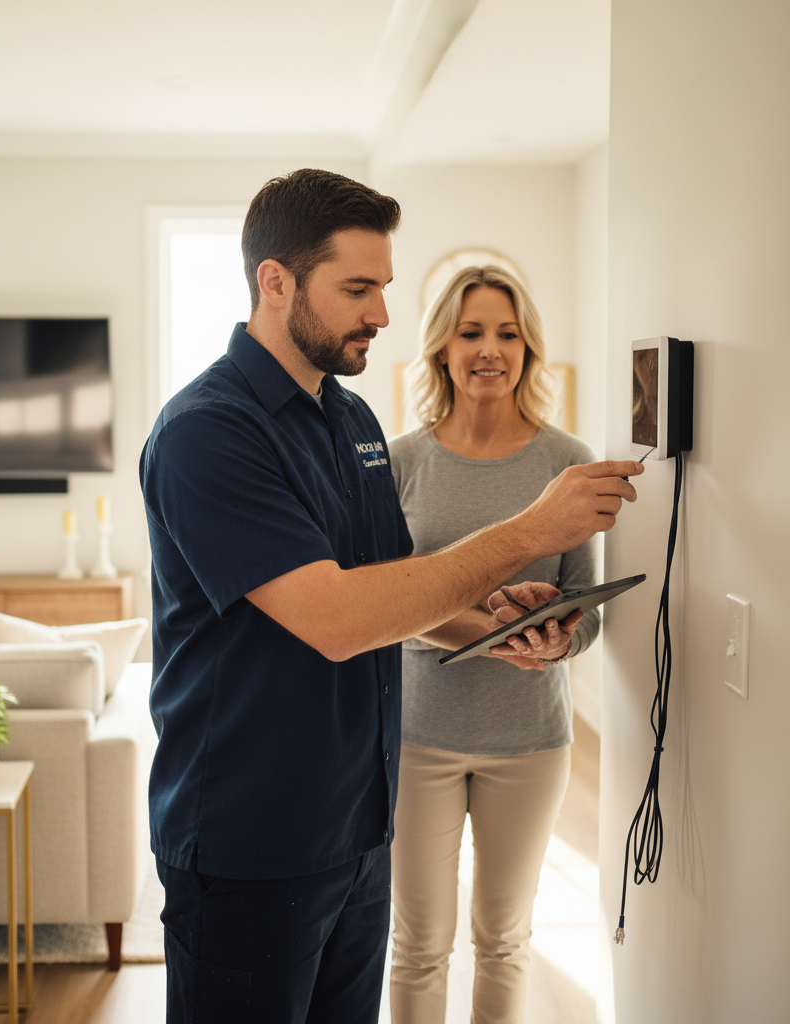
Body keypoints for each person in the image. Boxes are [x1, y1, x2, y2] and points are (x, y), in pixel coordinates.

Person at [139, 169, 642, 1024]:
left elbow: (389, 589)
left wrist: (492, 626)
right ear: (276, 282)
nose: (380, 313)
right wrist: (528, 531)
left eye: (384, 289)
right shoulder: (207, 434)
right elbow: (337, 619)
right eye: (358, 289)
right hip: (251, 839)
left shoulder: (351, 420)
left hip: (361, 825)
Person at [388, 264, 599, 1024]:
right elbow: (385, 599)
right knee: (417, 944)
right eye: (471, 332)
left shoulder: (565, 460)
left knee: (506, 939)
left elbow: (587, 609)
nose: (489, 349)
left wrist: (557, 642)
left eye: (507, 334)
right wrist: (490, 631)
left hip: (529, 741)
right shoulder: (401, 462)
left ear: (528, 349)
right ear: (441, 347)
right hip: (418, 736)